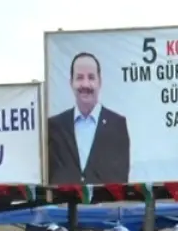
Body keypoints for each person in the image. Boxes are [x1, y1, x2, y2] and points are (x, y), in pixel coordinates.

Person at [47, 51, 131, 185]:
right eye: (79, 77)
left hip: (103, 205)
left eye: (91, 77)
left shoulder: (117, 125)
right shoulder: (54, 127)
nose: (85, 84)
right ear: (71, 82)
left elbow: (119, 178)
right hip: (65, 204)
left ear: (100, 82)